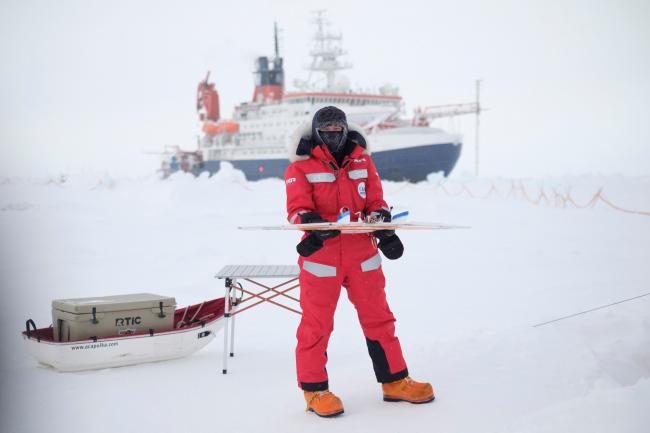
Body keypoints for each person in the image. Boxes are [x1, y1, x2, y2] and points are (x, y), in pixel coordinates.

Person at [284, 106, 435, 418]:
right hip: (322, 258)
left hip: (362, 255)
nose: (332, 135)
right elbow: (297, 209)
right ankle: (315, 390)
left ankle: (395, 382)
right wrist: (311, 226)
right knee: (316, 325)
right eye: (325, 131)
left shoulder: (363, 161)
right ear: (315, 133)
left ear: (344, 129)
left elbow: (376, 201)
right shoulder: (300, 168)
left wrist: (384, 228)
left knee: (380, 319)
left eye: (337, 130)